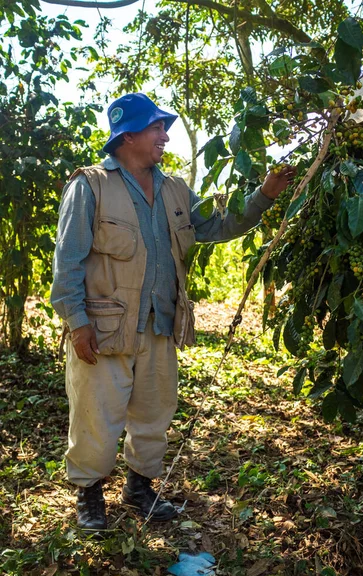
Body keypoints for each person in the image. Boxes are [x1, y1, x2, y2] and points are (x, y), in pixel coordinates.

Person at [51, 92, 296, 531]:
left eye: (165, 128)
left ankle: (139, 486)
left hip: (160, 323)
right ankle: (89, 493)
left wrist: (264, 194)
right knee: (96, 414)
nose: (165, 136)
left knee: (153, 413)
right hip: (105, 326)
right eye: (156, 128)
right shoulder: (89, 186)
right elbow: (67, 260)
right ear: (127, 136)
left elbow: (220, 225)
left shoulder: (175, 190)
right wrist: (77, 323)